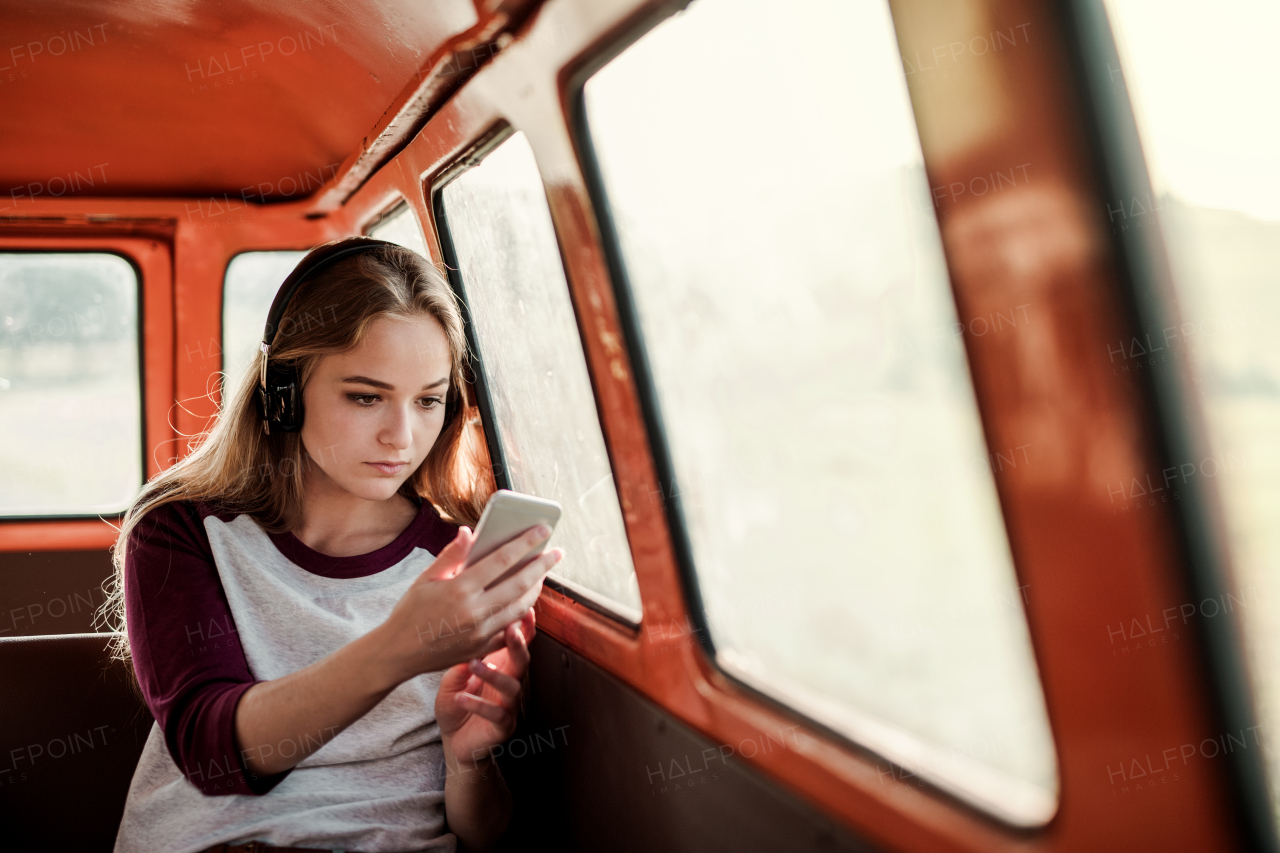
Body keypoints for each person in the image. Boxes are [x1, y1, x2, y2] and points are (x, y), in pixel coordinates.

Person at [98, 237, 562, 853]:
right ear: (282, 393)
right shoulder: (184, 530)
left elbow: (484, 835)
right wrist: (401, 648)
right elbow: (213, 755)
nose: (402, 435)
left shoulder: (460, 562)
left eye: (427, 400)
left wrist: (468, 761)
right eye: (366, 397)